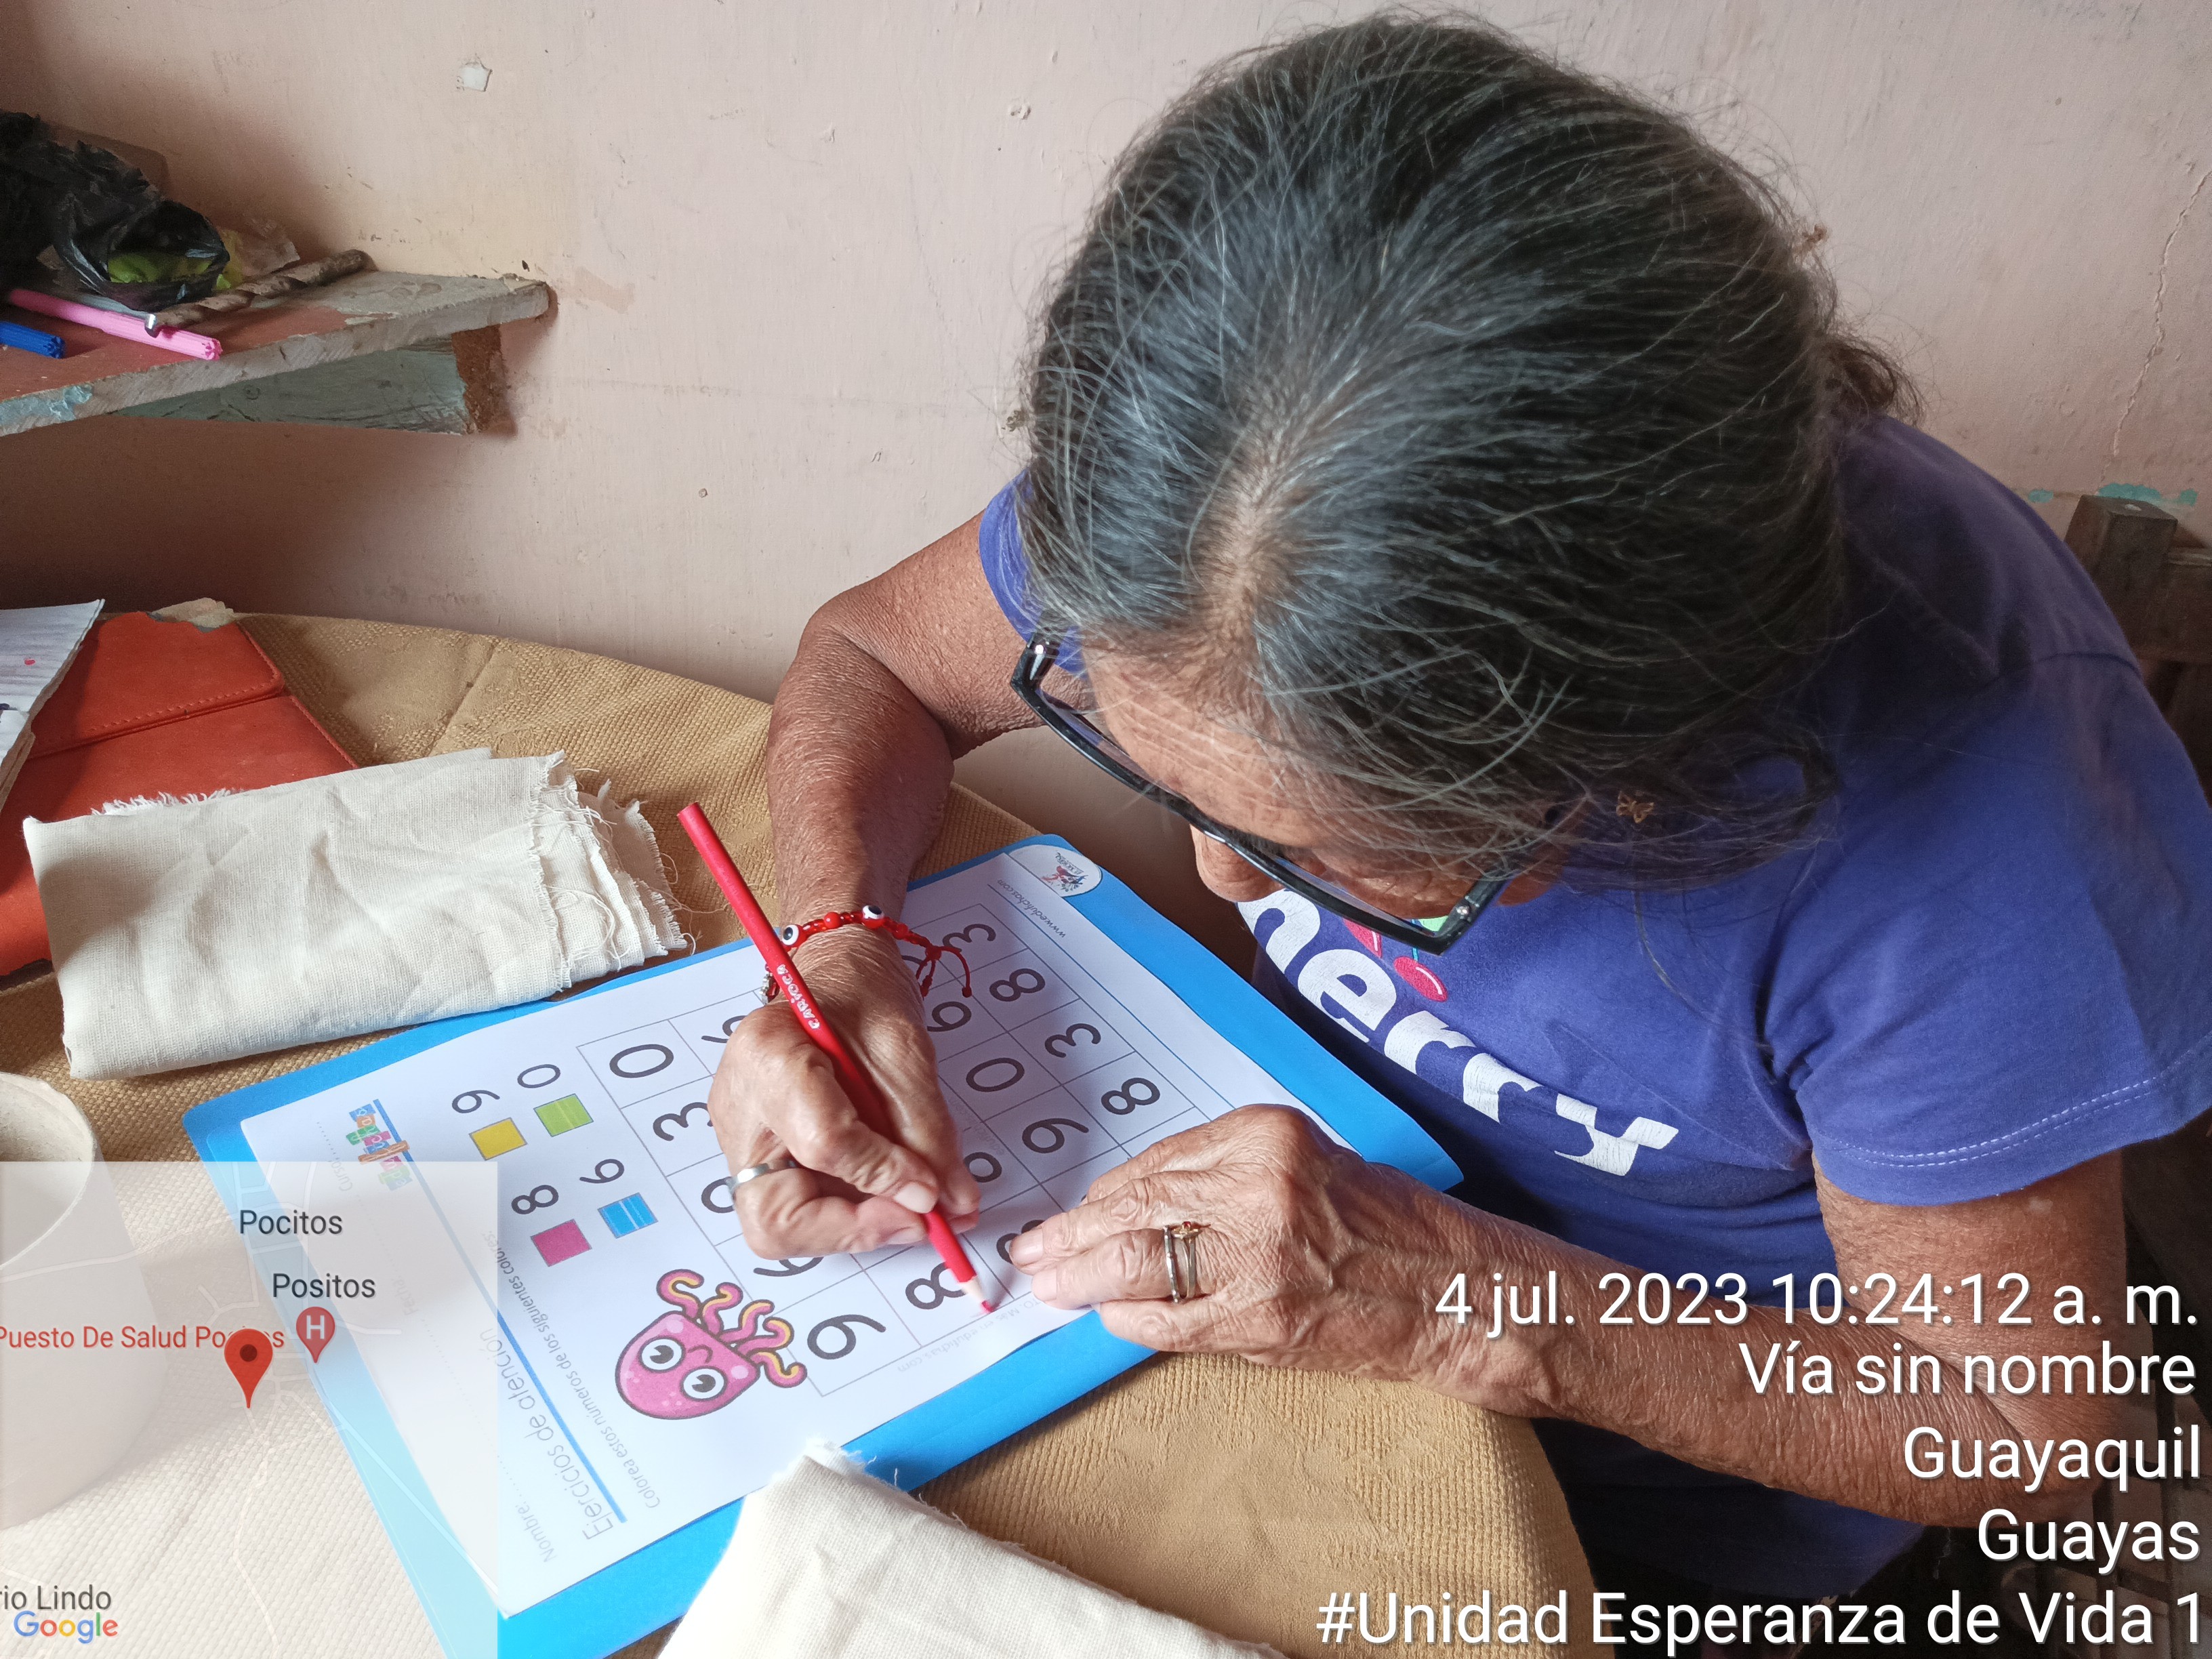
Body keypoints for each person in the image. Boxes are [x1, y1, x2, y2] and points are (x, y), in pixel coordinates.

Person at [703, 14, 2212, 1641]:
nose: (1220, 878)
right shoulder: (1228, 503)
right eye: (1157, 768)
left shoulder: (1975, 829)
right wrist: (840, 944)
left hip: (1675, 1502)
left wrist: (1460, 1302)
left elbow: (2023, 1435)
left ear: (1635, 770)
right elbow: (874, 657)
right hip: (1303, 1276)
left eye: (1336, 851)